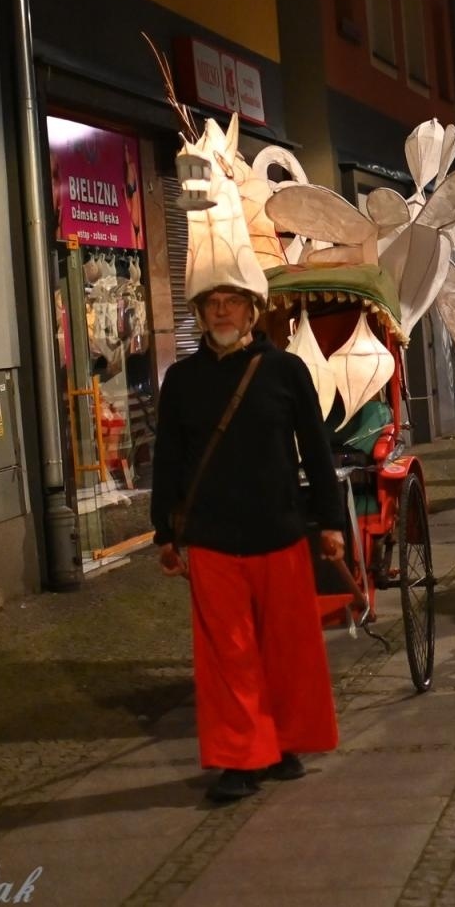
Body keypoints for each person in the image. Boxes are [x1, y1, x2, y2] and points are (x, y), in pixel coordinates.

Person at [152, 283, 348, 804]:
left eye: (232, 301)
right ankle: (241, 758)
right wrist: (164, 531)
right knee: (228, 656)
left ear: (252, 310)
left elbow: (316, 450)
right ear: (199, 313)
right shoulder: (182, 380)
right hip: (212, 538)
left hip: (279, 531)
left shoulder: (286, 371)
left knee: (286, 650)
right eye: (211, 303)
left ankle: (283, 744)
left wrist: (331, 522)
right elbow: (168, 457)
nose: (222, 311)